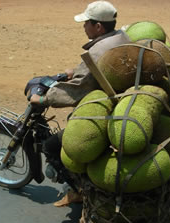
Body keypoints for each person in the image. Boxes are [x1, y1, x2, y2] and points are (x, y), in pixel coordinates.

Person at [29, 1, 131, 207]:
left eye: (86, 23)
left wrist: (44, 99)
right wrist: (72, 71)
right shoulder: (122, 37)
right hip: (124, 96)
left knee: (50, 146)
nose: (84, 27)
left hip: (106, 106)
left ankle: (78, 191)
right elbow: (91, 71)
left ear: (99, 27)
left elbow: (78, 89)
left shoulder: (96, 52)